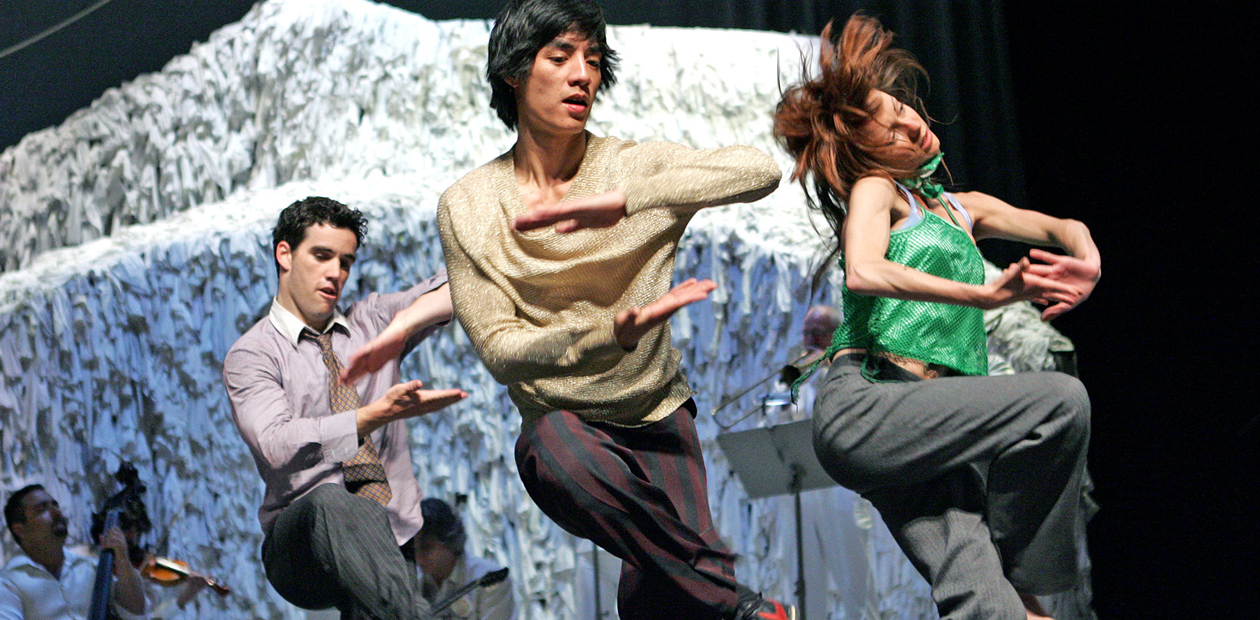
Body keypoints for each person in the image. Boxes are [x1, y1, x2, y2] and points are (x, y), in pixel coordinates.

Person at [436, 1, 793, 619]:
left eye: (595, 62)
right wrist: (607, 333)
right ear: (515, 74)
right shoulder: (468, 204)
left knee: (662, 598)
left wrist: (629, 199)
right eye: (561, 57)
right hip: (565, 429)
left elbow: (760, 171)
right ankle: (741, 607)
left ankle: (706, 598)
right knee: (556, 446)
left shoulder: (631, 165)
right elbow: (498, 349)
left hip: (660, 419)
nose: (583, 76)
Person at [773, 15, 1101, 620]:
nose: (911, 123)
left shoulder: (962, 208)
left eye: (903, 109)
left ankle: (1017, 597)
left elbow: (1060, 227)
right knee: (1062, 402)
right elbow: (864, 270)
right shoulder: (878, 191)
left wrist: (1087, 258)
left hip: (931, 430)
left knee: (987, 604)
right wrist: (982, 296)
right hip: (871, 404)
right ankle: (1021, 574)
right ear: (867, 152)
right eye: (890, 130)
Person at [223, 196, 467, 620]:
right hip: (303, 548)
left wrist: (404, 325)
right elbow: (277, 444)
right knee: (332, 500)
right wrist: (372, 416)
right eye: (321, 256)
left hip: (388, 543)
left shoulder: (370, 322)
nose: (335, 273)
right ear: (284, 254)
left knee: (385, 594)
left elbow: (466, 285)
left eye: (346, 261)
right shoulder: (253, 354)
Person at [1, 484, 147, 619]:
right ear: (20, 530)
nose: (56, 512)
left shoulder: (90, 568)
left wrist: (122, 559)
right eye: (42, 509)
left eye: (55, 505)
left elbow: (134, 611)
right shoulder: (8, 582)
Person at [414, 499, 514, 620]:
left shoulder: (491, 580)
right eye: (414, 550)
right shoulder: (412, 582)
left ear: (450, 541)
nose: (418, 558)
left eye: (426, 548)